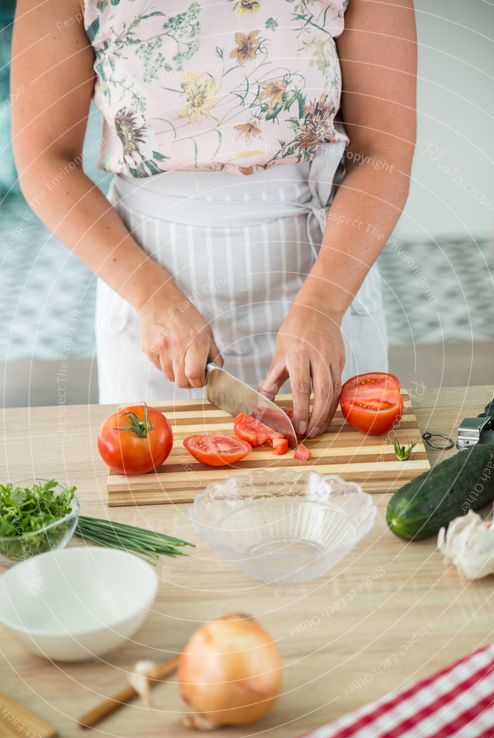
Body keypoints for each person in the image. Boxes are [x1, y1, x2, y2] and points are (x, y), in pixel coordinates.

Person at [12, 0, 416, 439]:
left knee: (341, 498)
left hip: (325, 274)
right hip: (149, 282)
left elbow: (384, 152)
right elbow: (45, 158)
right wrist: (152, 297)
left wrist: (324, 304)